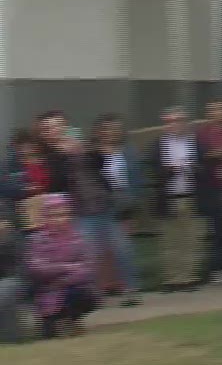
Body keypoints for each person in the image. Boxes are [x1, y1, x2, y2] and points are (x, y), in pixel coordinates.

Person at [147, 106, 215, 291]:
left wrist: (192, 168)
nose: (174, 125)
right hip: (169, 197)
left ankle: (188, 278)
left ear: (186, 123)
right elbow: (154, 170)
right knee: (170, 240)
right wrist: (170, 170)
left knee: (191, 239)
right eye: (170, 121)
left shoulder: (197, 143)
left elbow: (207, 167)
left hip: (192, 196)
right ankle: (171, 279)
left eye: (178, 121)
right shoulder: (158, 145)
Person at [81, 115, 144, 307]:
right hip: (94, 206)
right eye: (106, 129)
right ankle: (93, 294)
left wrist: (131, 202)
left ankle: (131, 290)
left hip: (120, 204)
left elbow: (135, 179)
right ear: (98, 131)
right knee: (91, 252)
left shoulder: (128, 152)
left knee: (123, 249)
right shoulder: (89, 152)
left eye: (115, 128)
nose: (111, 133)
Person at [25, 193, 98, 339]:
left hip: (66, 288)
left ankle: (71, 320)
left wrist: (59, 282)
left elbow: (88, 269)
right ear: (46, 216)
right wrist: (68, 267)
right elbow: (37, 269)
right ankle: (55, 321)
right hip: (45, 292)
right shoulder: (37, 239)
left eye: (63, 215)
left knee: (86, 295)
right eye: (53, 216)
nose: (59, 220)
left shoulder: (79, 237)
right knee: (48, 336)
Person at [198, 99, 222, 279]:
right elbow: (206, 155)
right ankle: (219, 269)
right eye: (214, 109)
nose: (218, 112)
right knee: (219, 228)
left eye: (221, 108)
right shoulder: (203, 135)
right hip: (214, 187)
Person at [0, 211, 25, 343]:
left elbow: (22, 266)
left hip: (18, 279)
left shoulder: (15, 238)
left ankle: (11, 339)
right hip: (6, 280)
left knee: (3, 292)